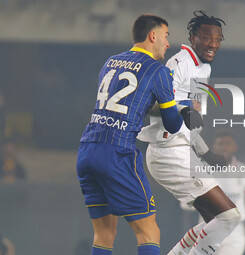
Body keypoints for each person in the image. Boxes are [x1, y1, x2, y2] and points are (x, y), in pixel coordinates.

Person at [76, 14, 202, 255]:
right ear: (152, 36)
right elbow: (173, 124)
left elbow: (130, 102)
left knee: (104, 234)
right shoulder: (157, 71)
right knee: (149, 232)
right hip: (117, 152)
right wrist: (185, 106)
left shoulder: (110, 62)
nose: (167, 43)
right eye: (165, 36)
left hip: (87, 150)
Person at [138, 11, 241, 255]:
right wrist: (183, 109)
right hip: (167, 152)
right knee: (229, 217)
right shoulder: (179, 63)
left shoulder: (203, 70)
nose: (213, 44)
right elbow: (157, 105)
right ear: (194, 37)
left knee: (215, 221)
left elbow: (193, 123)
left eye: (218, 40)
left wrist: (206, 153)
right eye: (207, 38)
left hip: (184, 151)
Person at [206, 129, 245, 255]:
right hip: (208, 227)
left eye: (228, 143)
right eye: (220, 144)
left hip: (235, 228)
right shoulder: (203, 169)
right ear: (214, 146)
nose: (224, 147)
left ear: (235, 147)